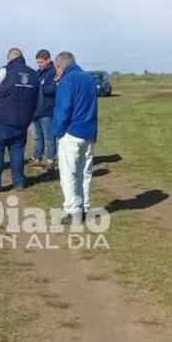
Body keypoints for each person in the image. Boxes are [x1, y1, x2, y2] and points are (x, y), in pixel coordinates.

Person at [0, 48, 40, 191]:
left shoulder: (2, 72)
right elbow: (37, 99)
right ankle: (19, 181)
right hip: (21, 123)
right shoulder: (33, 75)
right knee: (17, 152)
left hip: (0, 120)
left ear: (8, 59)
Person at [51, 51, 98, 224]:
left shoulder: (67, 80)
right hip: (89, 132)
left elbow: (63, 109)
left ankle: (73, 211)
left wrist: (56, 131)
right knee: (84, 173)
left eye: (55, 69)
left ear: (59, 66)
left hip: (71, 132)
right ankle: (84, 207)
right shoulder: (88, 79)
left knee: (68, 173)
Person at [30, 49, 57, 169]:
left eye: (41, 62)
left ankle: (51, 160)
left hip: (47, 110)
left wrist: (40, 88)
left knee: (49, 137)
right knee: (38, 137)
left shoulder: (54, 73)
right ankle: (37, 158)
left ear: (48, 60)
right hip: (35, 111)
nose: (39, 65)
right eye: (38, 63)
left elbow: (53, 89)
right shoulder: (37, 73)